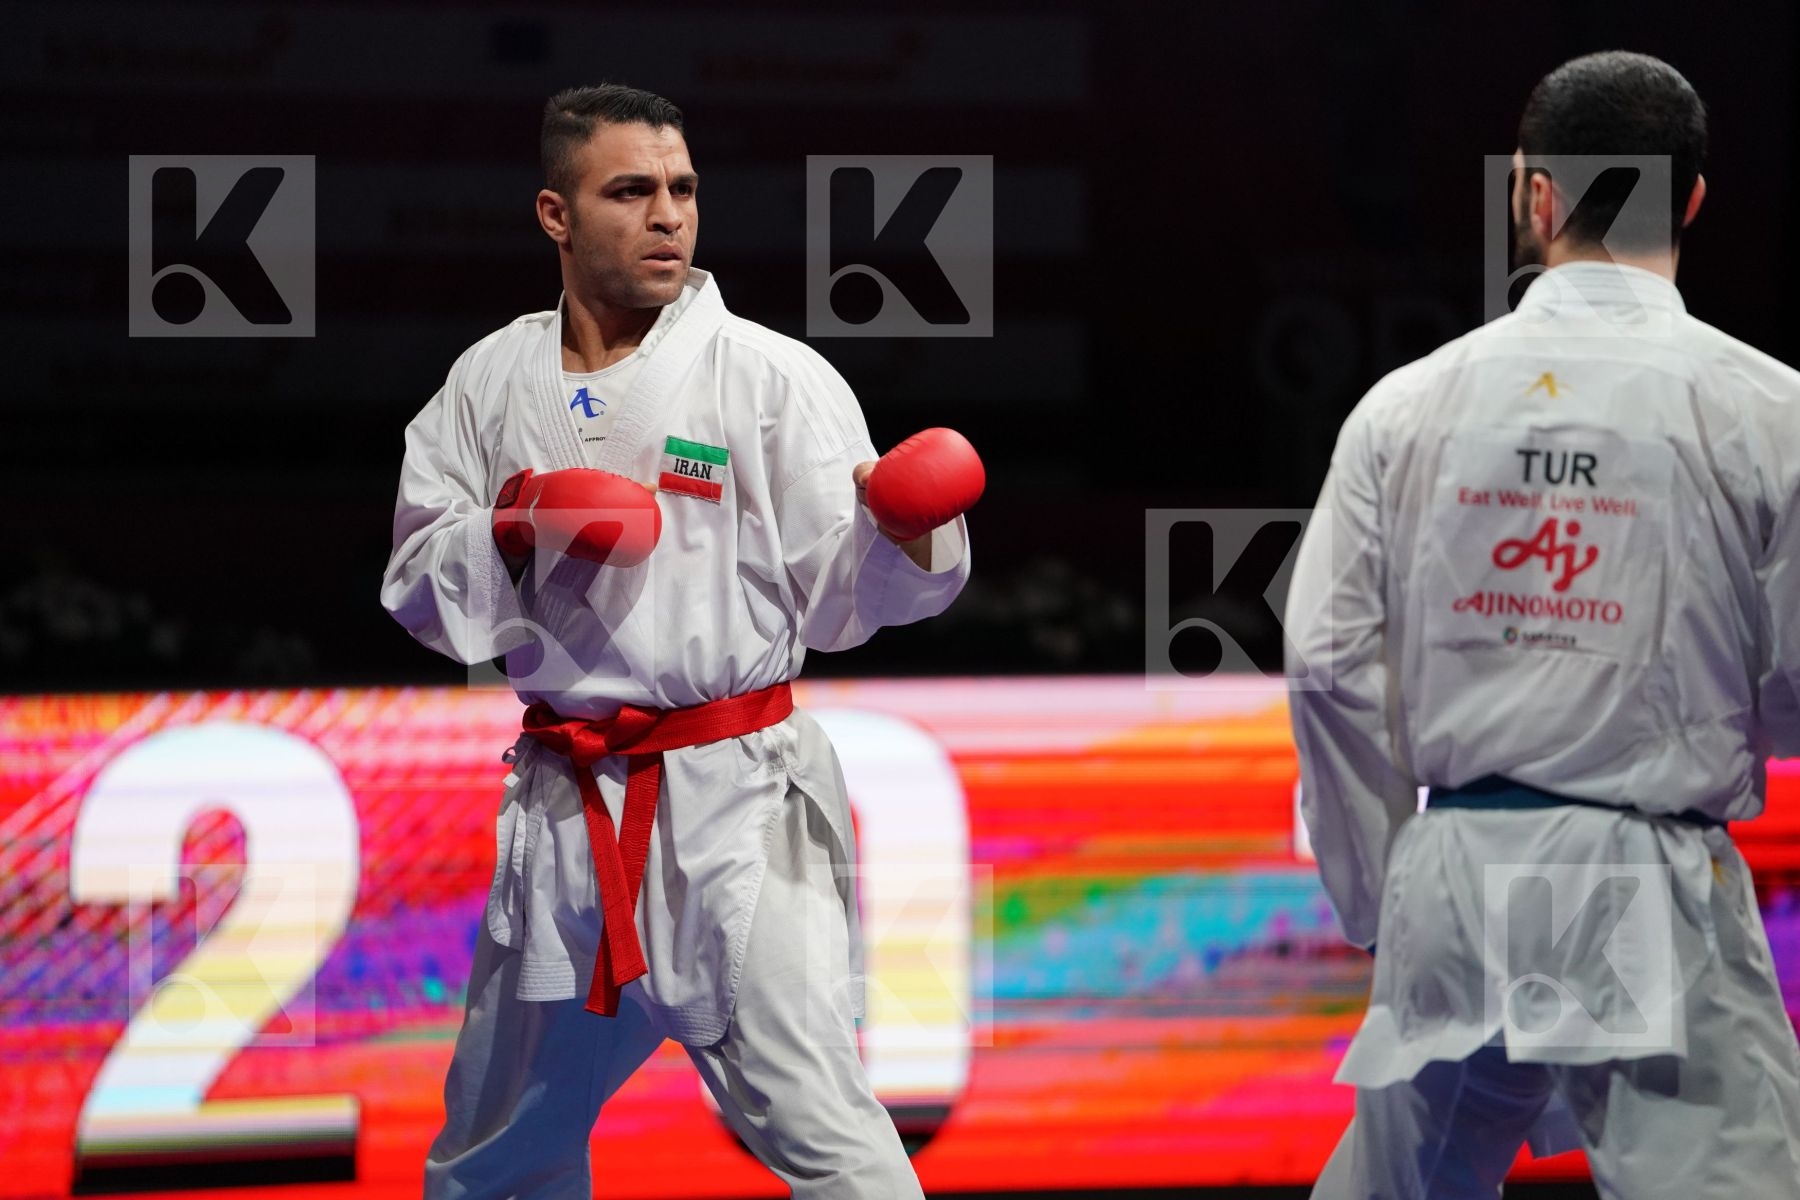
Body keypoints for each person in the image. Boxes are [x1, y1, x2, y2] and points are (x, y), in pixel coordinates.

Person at [380, 83, 978, 1199]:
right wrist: (512, 528)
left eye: (684, 190)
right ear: (556, 214)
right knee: (490, 1158)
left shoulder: (770, 378)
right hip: (566, 810)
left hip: (732, 809)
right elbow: (415, 586)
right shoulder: (488, 382)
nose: (669, 215)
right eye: (632, 191)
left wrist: (903, 530)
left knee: (828, 1139)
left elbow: (848, 601)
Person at [1286, 50, 1800, 1198]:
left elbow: (1326, 667)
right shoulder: (1767, 408)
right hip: (1639, 868)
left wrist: (1381, 888)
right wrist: (1732, 717)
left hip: (1455, 869)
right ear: (1696, 201)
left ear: (1533, 193)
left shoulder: (1409, 402)